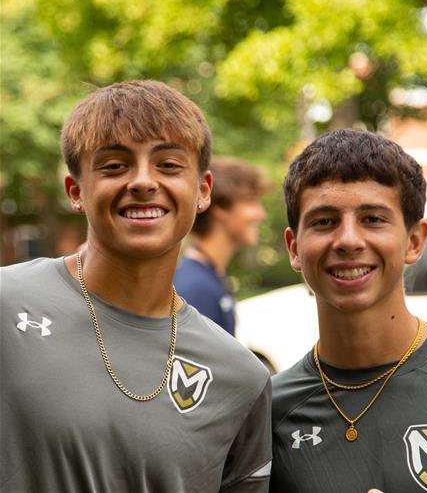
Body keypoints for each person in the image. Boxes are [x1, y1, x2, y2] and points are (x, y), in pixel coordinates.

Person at [0, 80, 272, 493]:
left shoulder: (240, 377)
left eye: (168, 165)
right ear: (76, 191)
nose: (143, 181)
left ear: (203, 191)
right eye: (114, 165)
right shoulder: (7, 304)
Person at [270, 129, 427, 492]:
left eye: (373, 219)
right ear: (294, 248)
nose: (348, 240)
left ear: (414, 241)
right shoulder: (268, 410)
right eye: (325, 221)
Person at [174, 157, 268, 336]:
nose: (260, 214)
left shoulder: (209, 276)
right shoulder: (195, 288)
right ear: (220, 209)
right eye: (250, 201)